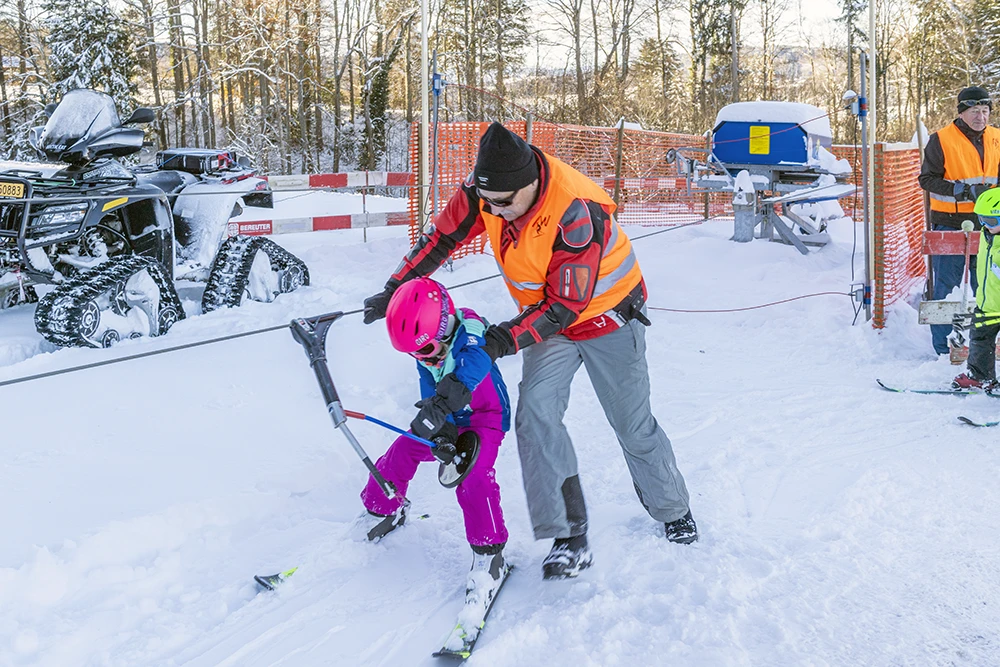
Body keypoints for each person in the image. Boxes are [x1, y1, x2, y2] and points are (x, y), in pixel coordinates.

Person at [363, 122, 697, 581]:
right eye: (489, 203)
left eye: (504, 203)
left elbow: (565, 305)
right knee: (535, 414)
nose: (494, 212)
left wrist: (501, 339)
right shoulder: (488, 190)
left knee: (632, 426)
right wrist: (394, 288)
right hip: (548, 322)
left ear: (532, 184)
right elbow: (442, 237)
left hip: (604, 319)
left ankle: (671, 508)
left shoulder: (576, 210)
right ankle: (570, 536)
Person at [357, 277, 513, 600]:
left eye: (426, 350)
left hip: (485, 420)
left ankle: (490, 553)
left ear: (444, 328)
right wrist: (439, 428)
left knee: (474, 479)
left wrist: (444, 402)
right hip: (451, 418)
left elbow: (475, 364)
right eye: (415, 354)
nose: (424, 359)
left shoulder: (470, 334)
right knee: (403, 449)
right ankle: (383, 508)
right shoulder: (427, 355)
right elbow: (429, 388)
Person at [918, 85, 1000, 358]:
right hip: (949, 223)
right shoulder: (941, 139)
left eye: (985, 110)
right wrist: (964, 191)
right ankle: (943, 350)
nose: (981, 116)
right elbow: (926, 180)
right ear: (962, 112)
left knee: (988, 288)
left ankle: (984, 348)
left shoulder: (997, 137)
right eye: (975, 111)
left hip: (989, 223)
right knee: (946, 287)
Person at [952, 189, 1000, 392]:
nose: (985, 226)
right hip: (988, 302)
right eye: (981, 219)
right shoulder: (987, 235)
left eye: (990, 220)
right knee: (980, 336)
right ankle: (980, 376)